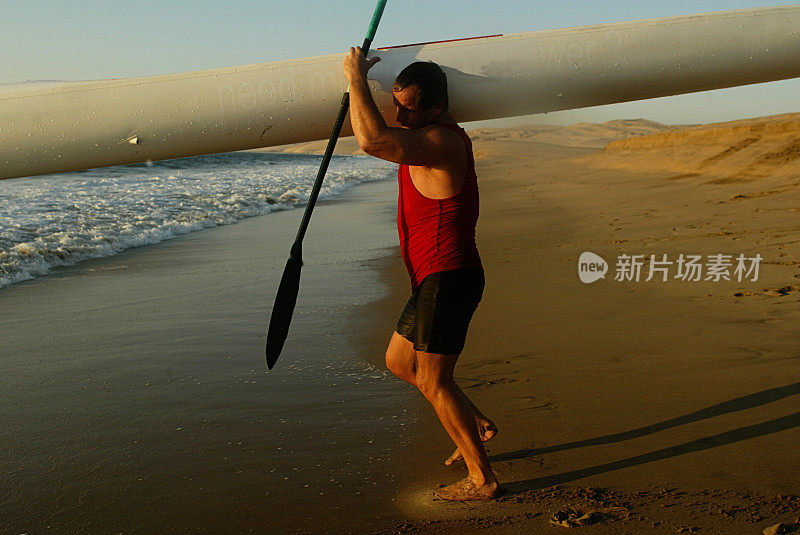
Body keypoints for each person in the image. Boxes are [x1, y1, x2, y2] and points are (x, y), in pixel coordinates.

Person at [343, 47, 500, 501]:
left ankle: (483, 479)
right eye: (396, 105)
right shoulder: (423, 132)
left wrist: (354, 76)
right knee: (399, 362)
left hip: (449, 277)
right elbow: (379, 131)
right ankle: (474, 422)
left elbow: (372, 141)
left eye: (408, 109)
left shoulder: (441, 140)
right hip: (433, 278)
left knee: (434, 380)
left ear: (435, 107)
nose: (399, 116)